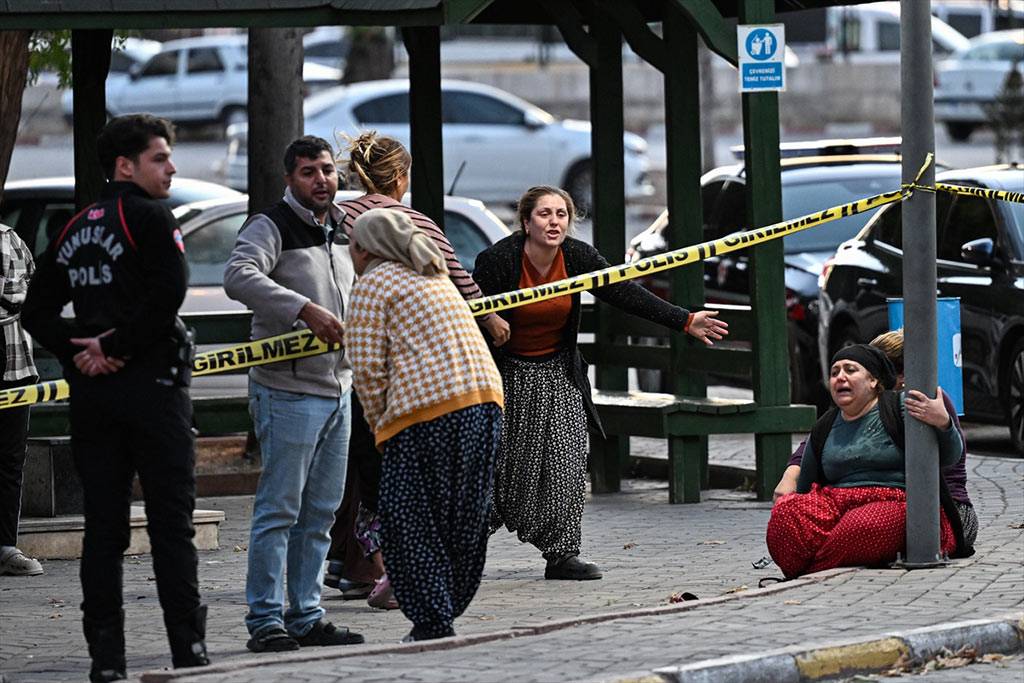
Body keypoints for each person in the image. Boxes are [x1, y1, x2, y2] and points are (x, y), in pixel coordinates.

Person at [21, 114, 208, 681]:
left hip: (94, 398)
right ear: (125, 166)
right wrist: (116, 346)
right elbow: (169, 295)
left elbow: (35, 312)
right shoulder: (151, 217)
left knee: (103, 531)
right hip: (152, 392)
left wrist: (82, 350)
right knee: (171, 524)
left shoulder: (75, 225)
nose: (172, 168)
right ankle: (188, 652)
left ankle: (107, 662)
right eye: (160, 158)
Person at [472, 186, 729, 580]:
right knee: (504, 471)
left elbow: (622, 290)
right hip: (508, 378)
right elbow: (468, 306)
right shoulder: (498, 260)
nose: (554, 221)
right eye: (544, 214)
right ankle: (461, 544)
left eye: (561, 214)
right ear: (526, 221)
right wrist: (490, 319)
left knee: (569, 460)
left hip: (558, 373)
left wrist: (684, 320)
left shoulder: (577, 256)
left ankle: (562, 554)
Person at [324, 131, 510, 609]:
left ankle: (360, 564)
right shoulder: (416, 225)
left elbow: (363, 360)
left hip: (357, 367)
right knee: (400, 483)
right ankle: (398, 579)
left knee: (362, 472)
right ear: (401, 177)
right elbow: (459, 279)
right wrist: (490, 318)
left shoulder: (342, 218)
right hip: (447, 391)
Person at [224, 136, 363, 653]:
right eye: (308, 172)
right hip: (286, 390)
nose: (321, 179)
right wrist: (303, 309)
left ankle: (306, 614)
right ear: (290, 179)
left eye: (327, 169)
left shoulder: (345, 227)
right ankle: (265, 620)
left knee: (322, 511)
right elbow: (238, 276)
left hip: (339, 388)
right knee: (279, 510)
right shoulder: (270, 225)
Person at [345, 208, 504, 642]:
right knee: (462, 518)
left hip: (425, 414)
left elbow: (367, 371)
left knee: (408, 519)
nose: (351, 253)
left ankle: (432, 620)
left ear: (367, 248)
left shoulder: (374, 285)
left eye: (354, 244)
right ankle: (446, 607)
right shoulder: (435, 277)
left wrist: (382, 431)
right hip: (485, 404)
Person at [766, 344, 971, 579]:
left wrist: (943, 422)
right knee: (785, 515)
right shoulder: (826, 424)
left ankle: (811, 570)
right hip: (834, 503)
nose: (840, 377)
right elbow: (804, 486)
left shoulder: (899, 406)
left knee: (864, 526)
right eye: (834, 373)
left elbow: (950, 456)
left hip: (894, 500)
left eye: (850, 370)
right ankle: (820, 563)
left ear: (873, 381)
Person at [0, 223, 44, 577]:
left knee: (11, 461)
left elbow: (31, 295)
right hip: (16, 364)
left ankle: (5, 545)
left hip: (15, 366)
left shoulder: (10, 238)